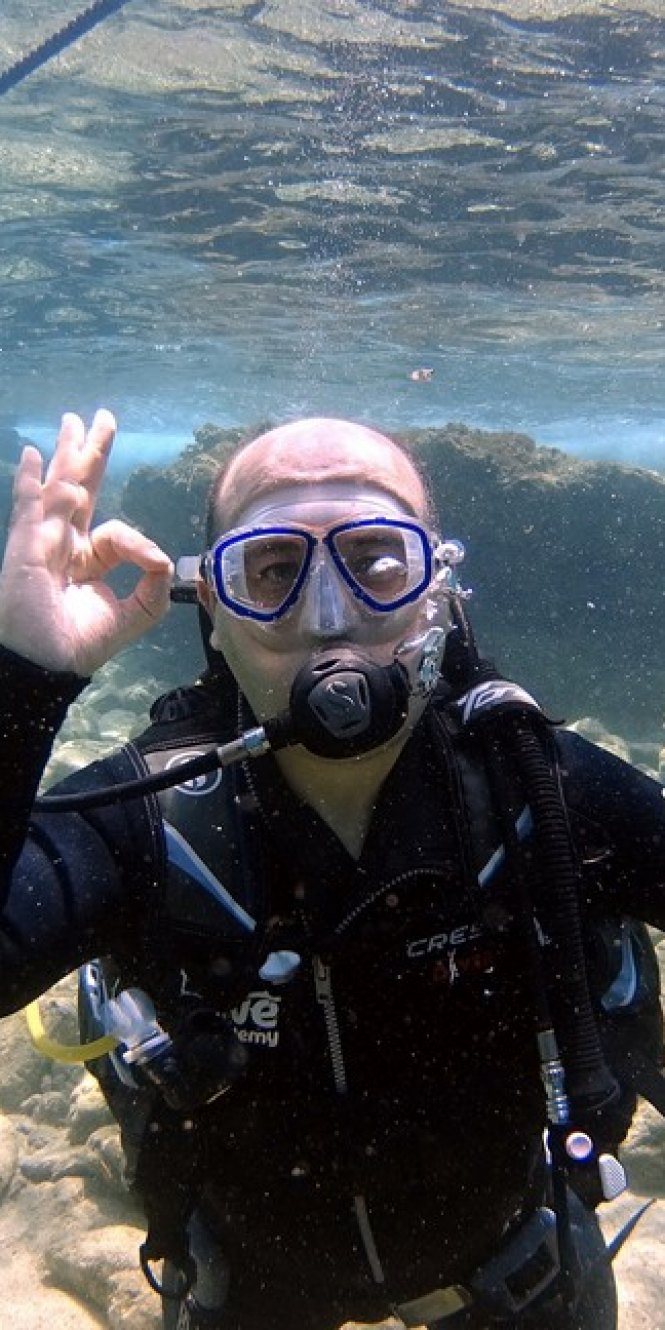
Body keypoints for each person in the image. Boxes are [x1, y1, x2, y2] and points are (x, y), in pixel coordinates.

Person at [0, 409, 663, 1330]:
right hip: (252, 1286)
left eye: (377, 561)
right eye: (272, 570)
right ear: (214, 611)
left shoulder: (536, 789)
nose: (327, 618)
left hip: (516, 1265)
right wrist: (25, 679)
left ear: (438, 593)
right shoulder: (148, 820)